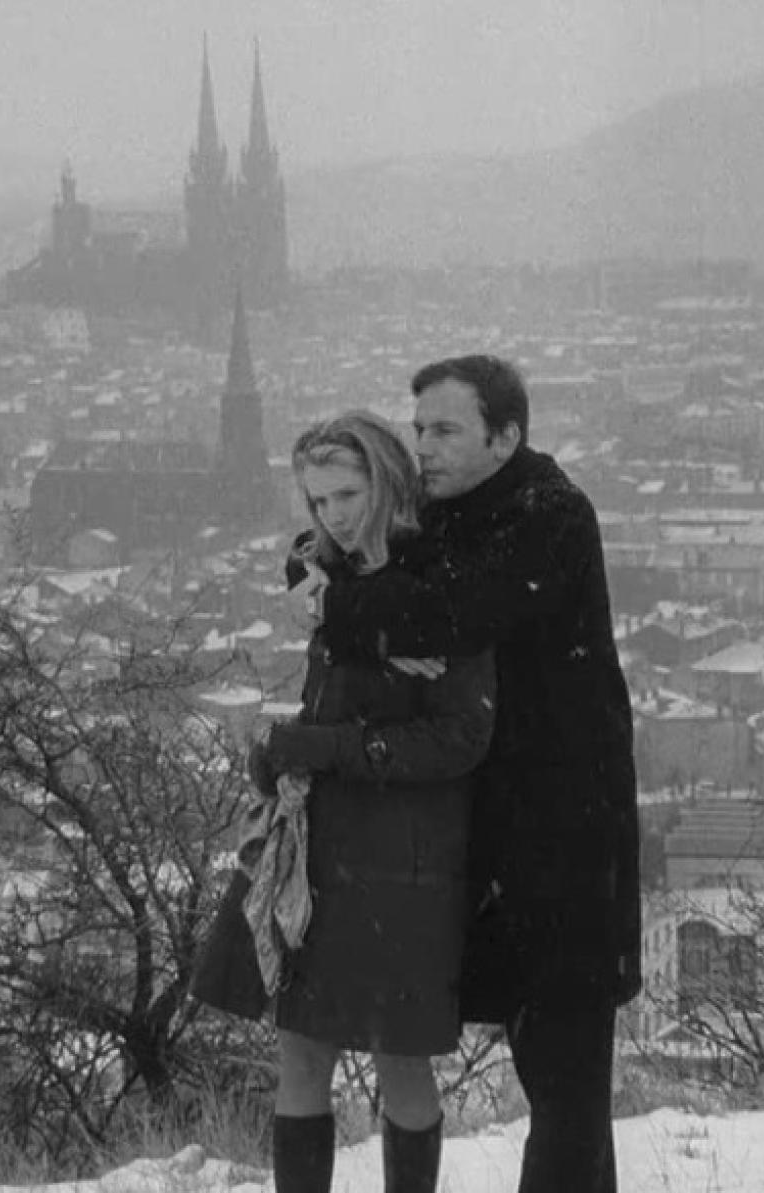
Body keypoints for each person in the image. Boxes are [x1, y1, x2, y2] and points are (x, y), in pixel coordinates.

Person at [318, 356, 641, 1193]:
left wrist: (346, 611)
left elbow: (450, 610)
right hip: (489, 835)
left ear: (507, 436)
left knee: (566, 1086)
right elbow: (344, 541)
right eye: (419, 427)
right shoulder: (450, 514)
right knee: (556, 1085)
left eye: (446, 429)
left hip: (568, 843)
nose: (423, 445)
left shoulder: (550, 517)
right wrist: (327, 570)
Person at [233, 411, 496, 1193]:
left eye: (348, 492)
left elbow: (460, 740)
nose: (334, 514)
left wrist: (324, 746)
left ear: (386, 479)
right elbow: (333, 700)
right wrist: (280, 754)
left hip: (407, 854)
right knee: (302, 1050)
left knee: (400, 1057)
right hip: (323, 843)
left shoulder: (442, 586)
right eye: (317, 501)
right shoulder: (331, 579)